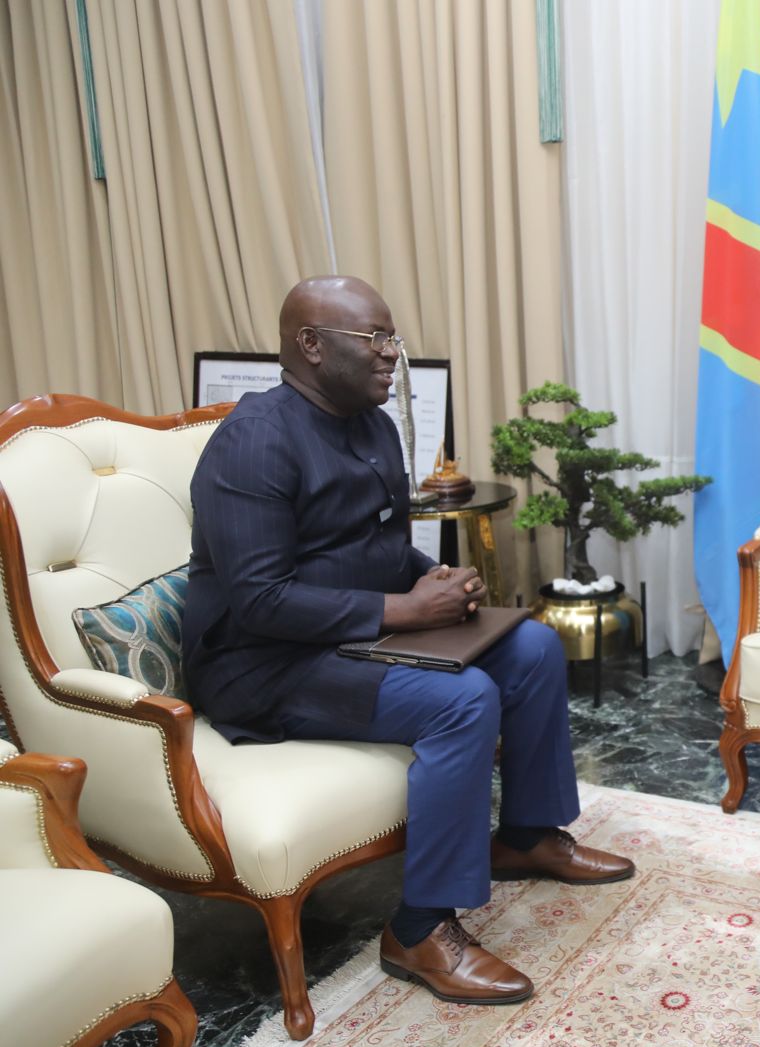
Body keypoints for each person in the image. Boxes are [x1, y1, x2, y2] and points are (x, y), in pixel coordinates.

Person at [183, 275, 633, 1005]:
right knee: (461, 700)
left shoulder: (370, 423)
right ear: (311, 346)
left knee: (532, 647)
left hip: (345, 635)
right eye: (376, 339)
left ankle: (523, 834)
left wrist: (439, 583)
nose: (393, 354)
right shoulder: (254, 441)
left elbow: (379, 549)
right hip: (263, 664)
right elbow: (259, 600)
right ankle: (420, 926)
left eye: (393, 337)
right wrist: (404, 609)